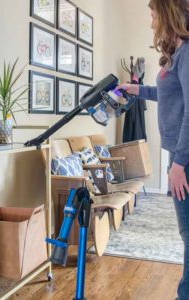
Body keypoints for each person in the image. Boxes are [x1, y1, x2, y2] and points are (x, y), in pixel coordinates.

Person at [117, 1, 189, 299]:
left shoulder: (187, 52)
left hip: (184, 158)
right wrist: (136, 89)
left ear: (168, 15)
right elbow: (171, 94)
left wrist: (179, 164)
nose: (151, 22)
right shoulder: (178, 54)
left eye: (153, 15)